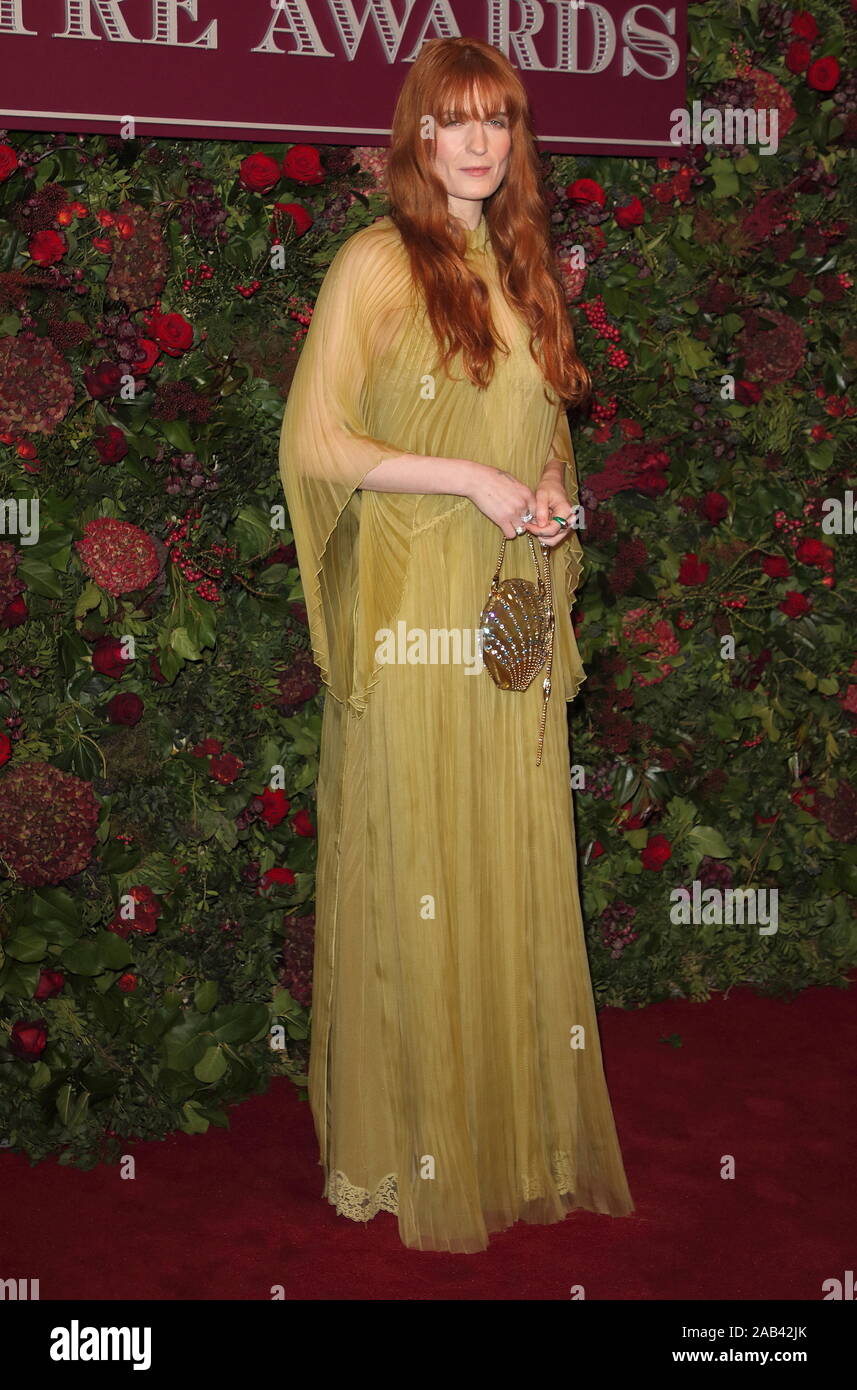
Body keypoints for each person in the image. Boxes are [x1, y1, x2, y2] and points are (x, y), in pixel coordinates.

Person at [278, 36, 634, 1254]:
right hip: (413, 594)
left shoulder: (529, 266)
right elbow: (319, 443)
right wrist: (470, 481)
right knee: (417, 855)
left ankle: (507, 1134)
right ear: (417, 138)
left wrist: (542, 495)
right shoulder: (376, 264)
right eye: (454, 121)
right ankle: (404, 1144)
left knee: (507, 851)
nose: (478, 142)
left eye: (499, 121)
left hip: (511, 603)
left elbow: (540, 435)